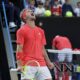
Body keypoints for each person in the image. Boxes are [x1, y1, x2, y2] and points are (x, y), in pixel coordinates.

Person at [16, 8, 54, 80]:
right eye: (28, 11)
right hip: (28, 64)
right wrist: (19, 64)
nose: (31, 11)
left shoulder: (41, 31)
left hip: (42, 64)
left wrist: (48, 62)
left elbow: (42, 49)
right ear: (24, 17)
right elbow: (19, 49)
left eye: (32, 11)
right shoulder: (21, 31)